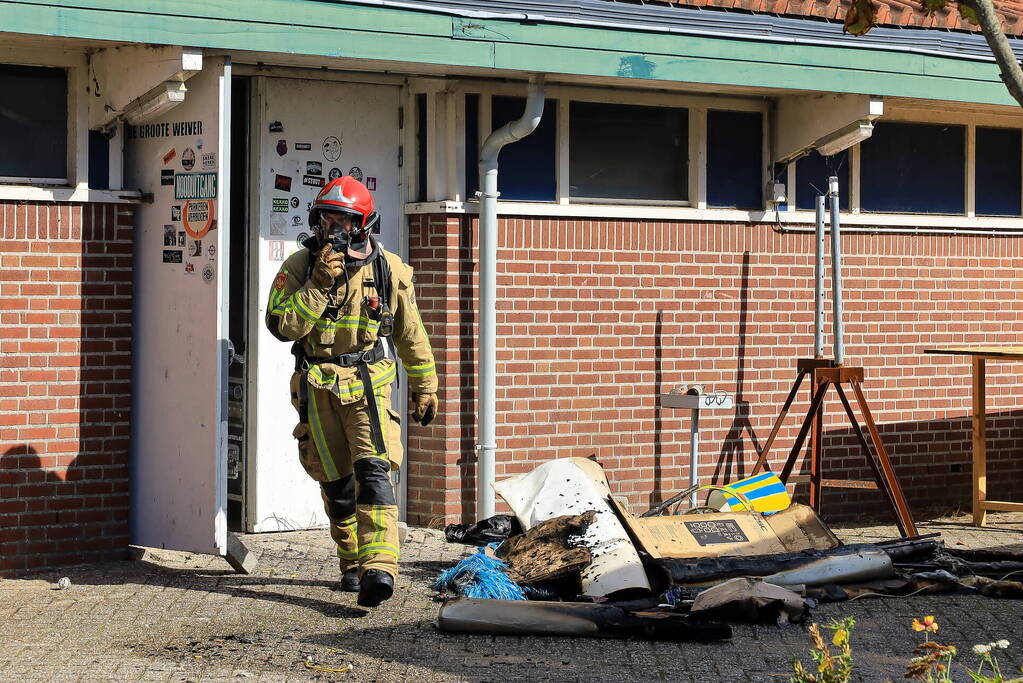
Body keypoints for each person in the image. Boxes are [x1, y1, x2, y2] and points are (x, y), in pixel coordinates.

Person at [265, 176, 438, 607]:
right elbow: (282, 327)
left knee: (374, 472)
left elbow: (410, 332)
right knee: (337, 484)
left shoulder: (388, 269)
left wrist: (424, 385)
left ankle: (380, 568)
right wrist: (319, 284)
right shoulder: (300, 268)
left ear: (363, 224)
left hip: (368, 386)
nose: (333, 230)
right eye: (327, 219)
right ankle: (352, 561)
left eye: (343, 220)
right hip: (317, 389)